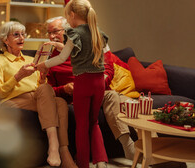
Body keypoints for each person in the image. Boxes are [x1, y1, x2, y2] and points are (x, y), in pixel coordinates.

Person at [0, 21, 77, 168]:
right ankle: (56, 148)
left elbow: (40, 88)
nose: (21, 38)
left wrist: (42, 77)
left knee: (58, 101)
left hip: (37, 98)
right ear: (5, 39)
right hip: (12, 101)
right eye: (16, 35)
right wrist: (18, 76)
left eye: (23, 34)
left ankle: (63, 150)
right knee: (55, 101)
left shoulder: (32, 60)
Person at [45, 16, 135, 161]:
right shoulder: (49, 58)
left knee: (133, 105)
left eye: (55, 31)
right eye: (49, 33)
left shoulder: (85, 47)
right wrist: (64, 89)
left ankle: (141, 148)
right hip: (75, 97)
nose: (51, 36)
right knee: (116, 99)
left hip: (98, 90)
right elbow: (48, 90)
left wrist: (99, 83)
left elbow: (107, 68)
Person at [36, 0, 108, 168]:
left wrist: (42, 65)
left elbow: (61, 58)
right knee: (94, 122)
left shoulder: (74, 33)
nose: (67, 20)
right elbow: (84, 52)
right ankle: (101, 163)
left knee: (82, 126)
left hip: (83, 82)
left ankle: (83, 164)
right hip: (99, 82)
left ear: (73, 15)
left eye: (67, 17)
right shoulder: (98, 32)